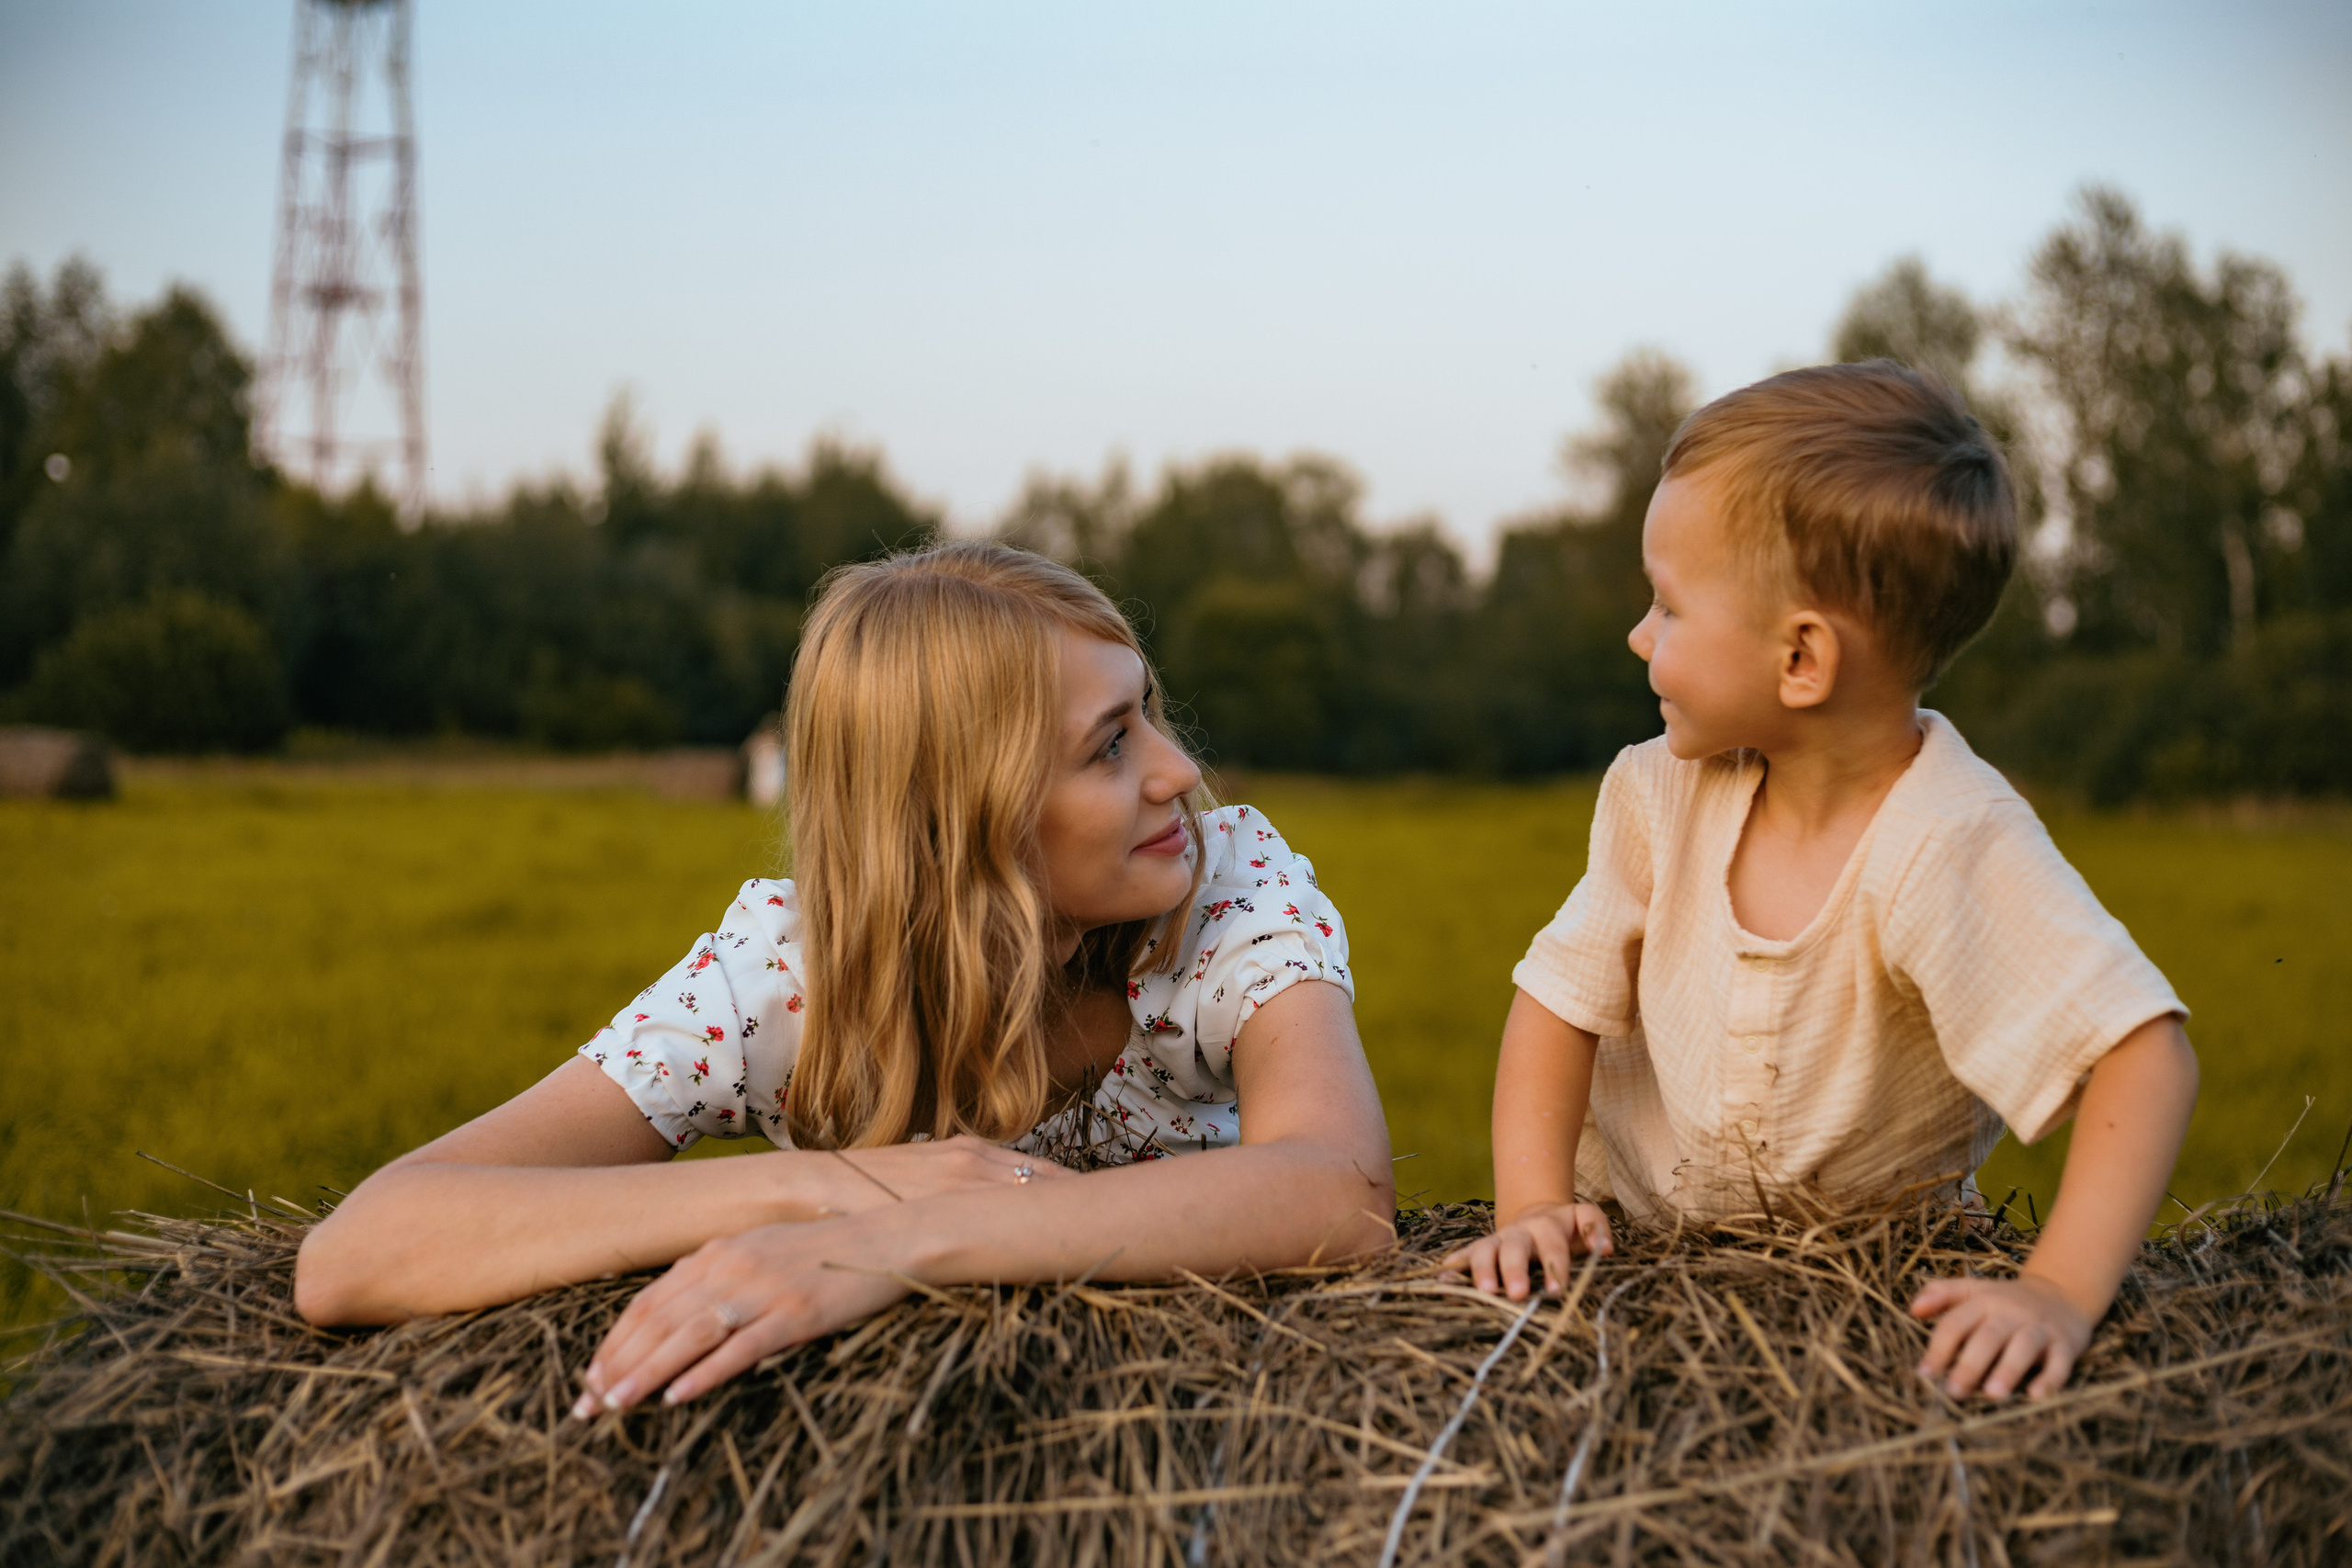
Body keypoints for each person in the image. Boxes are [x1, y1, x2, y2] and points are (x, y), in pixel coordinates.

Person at [295, 541, 1394, 1416]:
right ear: (959, 817)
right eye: (1109, 745)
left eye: (1145, 710)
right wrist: (826, 1189)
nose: (1179, 769)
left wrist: (907, 1242)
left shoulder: (1227, 886)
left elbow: (1337, 1191)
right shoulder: (779, 979)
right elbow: (357, 1253)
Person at [1448, 361, 2198, 1403]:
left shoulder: (1948, 839)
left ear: (1801, 659)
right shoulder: (1656, 796)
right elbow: (1556, 1003)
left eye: (1667, 608)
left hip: (1867, 1289)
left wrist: (2060, 1293)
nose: (1638, 636)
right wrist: (1530, 1206)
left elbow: (2145, 1056)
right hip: (1632, 1247)